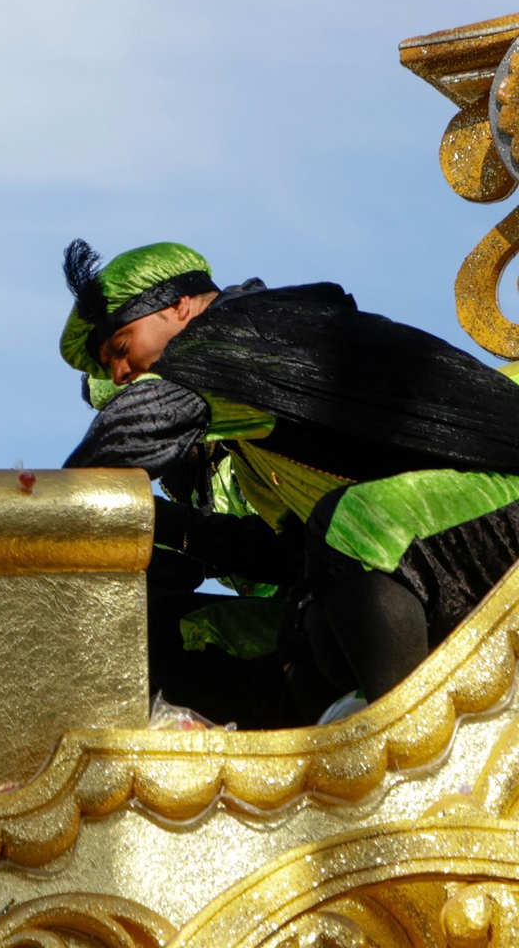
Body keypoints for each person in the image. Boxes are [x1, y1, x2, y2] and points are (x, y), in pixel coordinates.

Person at [56, 241, 519, 721]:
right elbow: (290, 557)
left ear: (178, 305)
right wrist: (167, 525)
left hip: (503, 494)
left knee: (351, 524)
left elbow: (134, 429)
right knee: (306, 626)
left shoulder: (238, 334)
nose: (121, 373)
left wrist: (43, 510)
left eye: (120, 348)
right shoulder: (245, 424)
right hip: (424, 544)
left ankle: (408, 748)